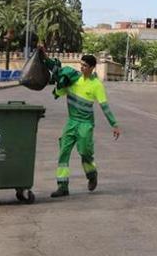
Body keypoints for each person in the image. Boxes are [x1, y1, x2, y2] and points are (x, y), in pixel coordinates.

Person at [51, 54, 121, 198]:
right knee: (63, 152)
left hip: (85, 124)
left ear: (92, 68)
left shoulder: (96, 85)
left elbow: (105, 107)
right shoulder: (74, 80)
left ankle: (92, 174)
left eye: (84, 66)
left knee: (85, 152)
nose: (81, 67)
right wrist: (59, 83)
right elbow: (59, 92)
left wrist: (114, 124)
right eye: (81, 64)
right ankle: (62, 186)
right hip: (71, 122)